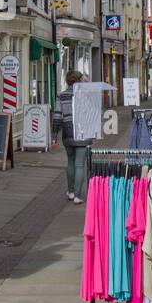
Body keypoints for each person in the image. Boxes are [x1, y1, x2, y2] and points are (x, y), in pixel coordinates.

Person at [53, 68, 88, 204]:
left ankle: (71, 192)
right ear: (80, 80)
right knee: (79, 164)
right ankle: (78, 196)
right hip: (83, 132)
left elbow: (57, 116)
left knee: (71, 162)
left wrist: (54, 135)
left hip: (67, 132)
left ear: (68, 81)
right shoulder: (86, 94)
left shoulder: (61, 95)